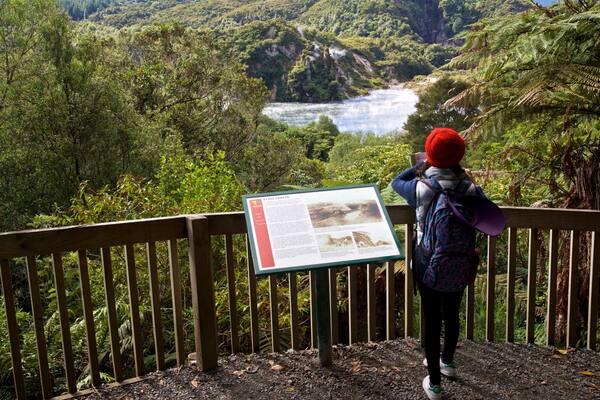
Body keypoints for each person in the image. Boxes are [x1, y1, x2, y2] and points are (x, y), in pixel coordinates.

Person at [391, 127, 484, 400]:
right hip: (459, 262)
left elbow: (396, 182)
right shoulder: (471, 188)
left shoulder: (422, 187)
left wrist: (422, 164)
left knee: (431, 321)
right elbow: (487, 217)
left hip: (427, 260)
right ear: (460, 154)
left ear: (430, 156)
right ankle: (448, 362)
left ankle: (433, 384)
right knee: (452, 313)